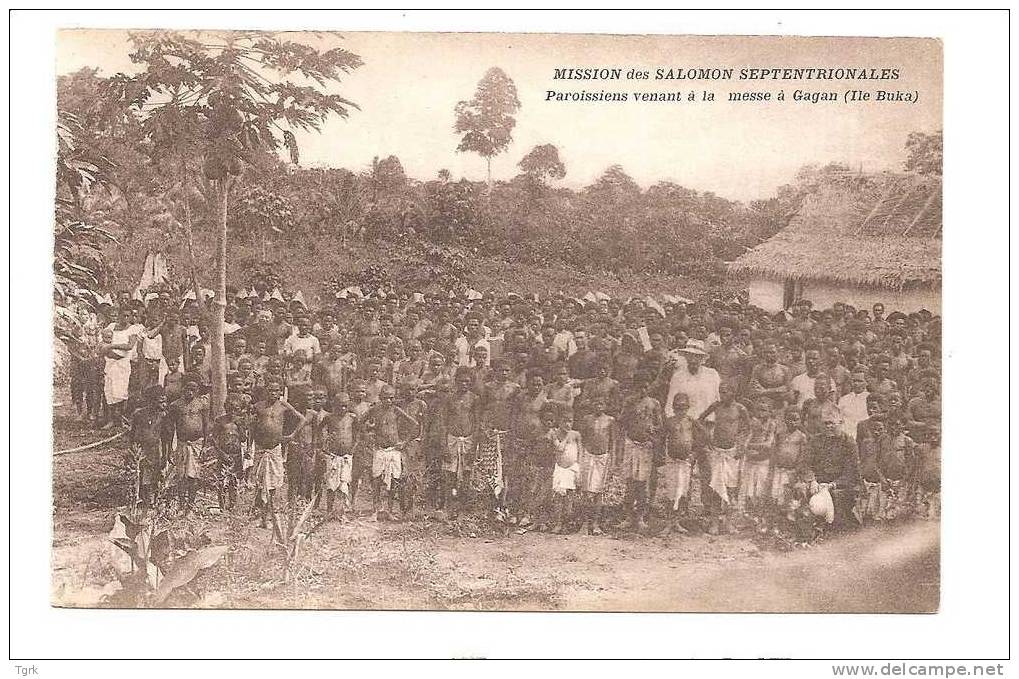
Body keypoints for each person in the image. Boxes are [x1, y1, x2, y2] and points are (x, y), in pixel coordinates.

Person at [251, 378, 308, 528]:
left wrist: (291, 436)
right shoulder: (258, 406)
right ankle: (260, 515)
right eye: (270, 390)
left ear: (280, 392)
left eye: (277, 390)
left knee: (273, 484)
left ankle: (269, 516)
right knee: (259, 482)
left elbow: (302, 419)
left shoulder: (283, 406)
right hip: (260, 449)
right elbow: (251, 427)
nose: (273, 393)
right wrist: (250, 446)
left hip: (275, 449)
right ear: (266, 391)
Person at [362, 384, 420, 520]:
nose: (389, 401)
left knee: (394, 480)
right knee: (377, 480)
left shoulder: (396, 410)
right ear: (381, 398)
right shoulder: (374, 410)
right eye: (386, 398)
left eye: (391, 398)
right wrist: (368, 433)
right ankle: (375, 510)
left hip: (394, 450)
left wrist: (404, 442)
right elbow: (360, 422)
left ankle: (389, 510)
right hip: (379, 449)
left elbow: (415, 424)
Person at [698, 381, 749, 535]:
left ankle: (728, 522)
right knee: (715, 488)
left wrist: (742, 445)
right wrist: (708, 436)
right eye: (721, 392)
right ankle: (714, 522)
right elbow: (699, 420)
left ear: (733, 393)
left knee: (731, 488)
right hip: (717, 451)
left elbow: (748, 429)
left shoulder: (740, 408)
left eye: (725, 392)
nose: (722, 395)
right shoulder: (716, 406)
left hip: (732, 452)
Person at [618, 374, 663, 532]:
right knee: (630, 482)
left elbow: (660, 425)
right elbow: (621, 421)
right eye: (640, 387)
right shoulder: (629, 401)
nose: (643, 390)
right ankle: (629, 516)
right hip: (631, 444)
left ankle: (641, 517)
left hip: (646, 446)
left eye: (646, 387)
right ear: (635, 388)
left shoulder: (654, 403)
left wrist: (653, 430)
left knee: (643, 483)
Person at [168, 375, 210, 514]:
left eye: (193, 389)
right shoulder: (175, 406)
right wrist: (170, 448)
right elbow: (170, 428)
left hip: (197, 444)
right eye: (187, 389)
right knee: (181, 476)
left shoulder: (202, 404)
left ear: (198, 390)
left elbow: (205, 426)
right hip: (181, 443)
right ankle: (181, 503)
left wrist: (204, 446)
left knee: (194, 476)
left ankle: (191, 505)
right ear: (182, 388)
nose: (190, 392)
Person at [658, 392, 698, 536]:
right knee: (671, 492)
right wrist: (662, 454)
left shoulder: (691, 422)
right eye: (678, 407)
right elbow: (661, 439)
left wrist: (694, 454)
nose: (680, 410)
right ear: (673, 407)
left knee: (682, 492)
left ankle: (677, 521)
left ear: (687, 407)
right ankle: (668, 522)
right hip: (672, 461)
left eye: (683, 407)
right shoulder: (669, 422)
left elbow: (701, 438)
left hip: (686, 462)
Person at [577, 396, 616, 535]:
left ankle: (595, 523)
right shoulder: (586, 419)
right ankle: (584, 523)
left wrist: (612, 460)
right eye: (596, 403)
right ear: (592, 405)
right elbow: (582, 438)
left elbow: (612, 441)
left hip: (603, 458)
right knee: (586, 491)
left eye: (601, 403)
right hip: (588, 456)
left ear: (605, 405)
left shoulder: (610, 420)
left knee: (598, 492)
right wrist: (581, 456)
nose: (598, 406)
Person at [128, 385, 170, 508]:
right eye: (160, 402)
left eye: (165, 402)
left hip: (155, 449)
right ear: (152, 401)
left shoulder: (163, 417)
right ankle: (144, 499)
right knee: (142, 474)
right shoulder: (139, 414)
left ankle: (153, 500)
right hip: (141, 449)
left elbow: (166, 438)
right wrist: (132, 450)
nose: (164, 405)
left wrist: (166, 455)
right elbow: (132, 434)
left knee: (155, 474)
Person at [546, 403, 582, 534]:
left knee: (570, 498)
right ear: (559, 421)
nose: (568, 424)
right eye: (564, 421)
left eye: (570, 421)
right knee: (558, 498)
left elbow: (580, 453)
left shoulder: (577, 435)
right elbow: (559, 448)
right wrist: (567, 436)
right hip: (560, 468)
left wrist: (579, 471)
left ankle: (567, 524)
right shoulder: (554, 434)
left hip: (572, 468)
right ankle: (557, 523)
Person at [319, 392, 356, 518]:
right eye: (340, 406)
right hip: (333, 455)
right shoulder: (329, 418)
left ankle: (341, 511)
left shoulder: (352, 418)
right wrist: (324, 444)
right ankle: (329, 511)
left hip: (346, 455)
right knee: (331, 484)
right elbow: (319, 430)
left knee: (344, 484)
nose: (343, 409)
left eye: (345, 406)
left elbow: (358, 433)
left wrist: (353, 447)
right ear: (334, 405)